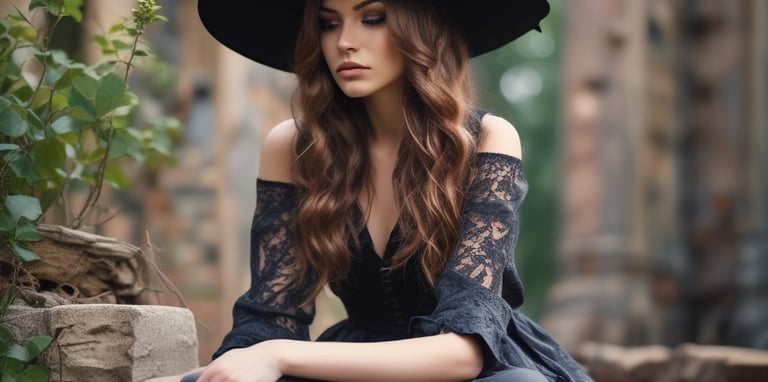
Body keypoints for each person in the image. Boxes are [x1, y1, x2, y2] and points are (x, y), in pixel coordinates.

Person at [151, 0, 593, 381]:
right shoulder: (292, 147)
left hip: (477, 370)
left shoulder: (486, 140)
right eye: (329, 22)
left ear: (422, 27)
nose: (344, 41)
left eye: (373, 17)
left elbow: (463, 352)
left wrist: (277, 355)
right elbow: (266, 324)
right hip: (352, 365)